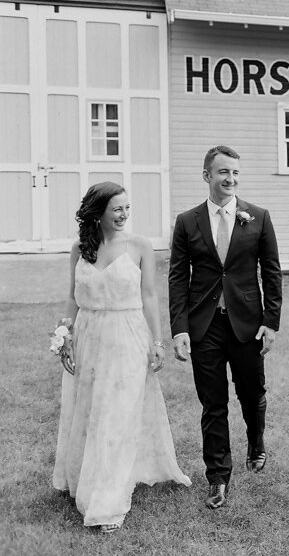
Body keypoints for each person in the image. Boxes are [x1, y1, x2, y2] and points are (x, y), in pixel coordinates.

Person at [53, 182, 190, 533]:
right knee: (89, 410)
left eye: (127, 208)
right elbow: (72, 295)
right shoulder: (79, 249)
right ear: (97, 214)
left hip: (128, 335)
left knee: (117, 414)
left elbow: (149, 296)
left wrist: (156, 341)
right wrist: (65, 334)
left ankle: (107, 498)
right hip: (89, 337)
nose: (124, 215)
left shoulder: (140, 245)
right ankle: (84, 474)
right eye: (117, 208)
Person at [168, 145, 282, 510]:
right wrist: (179, 328)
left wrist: (271, 322)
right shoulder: (188, 221)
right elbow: (177, 278)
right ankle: (218, 477)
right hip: (204, 326)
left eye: (235, 172)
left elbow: (272, 272)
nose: (230, 179)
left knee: (251, 394)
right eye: (223, 173)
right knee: (213, 403)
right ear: (207, 176)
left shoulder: (258, 217)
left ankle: (256, 440)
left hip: (247, 324)